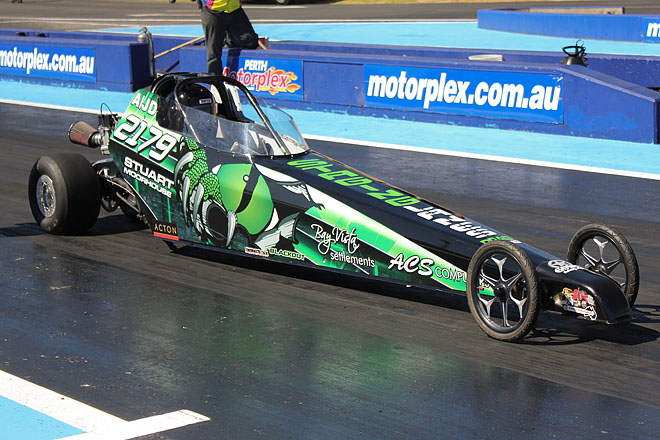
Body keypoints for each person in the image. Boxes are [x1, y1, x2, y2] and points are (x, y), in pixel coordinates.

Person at [200, 0, 258, 75]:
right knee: (214, 52)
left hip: (234, 9)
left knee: (251, 41)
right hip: (214, 10)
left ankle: (227, 38)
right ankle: (215, 79)